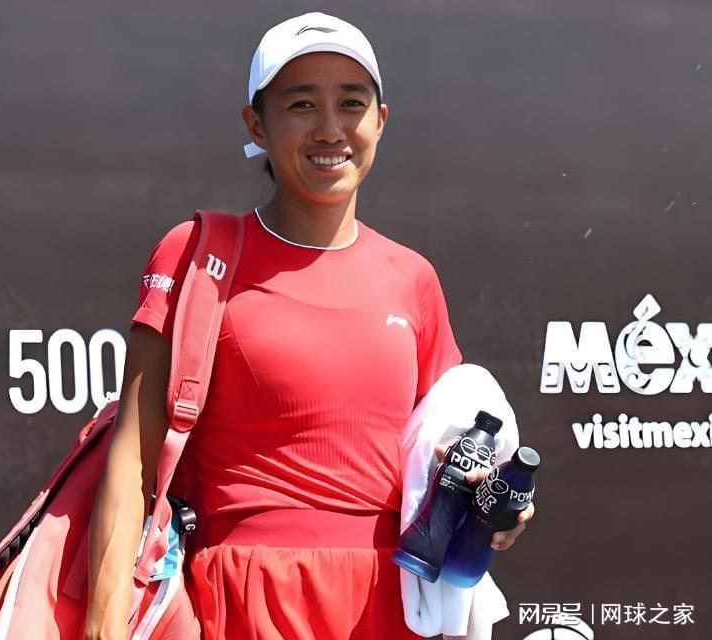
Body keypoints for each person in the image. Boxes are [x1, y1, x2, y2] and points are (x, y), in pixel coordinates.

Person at [84, 12, 535, 640]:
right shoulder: (195, 254)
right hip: (242, 600)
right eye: (301, 104)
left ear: (381, 120)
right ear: (256, 125)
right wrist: (103, 628)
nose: (330, 128)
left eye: (351, 103)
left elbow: (444, 459)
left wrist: (490, 506)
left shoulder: (413, 278)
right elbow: (132, 460)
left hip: (392, 607)